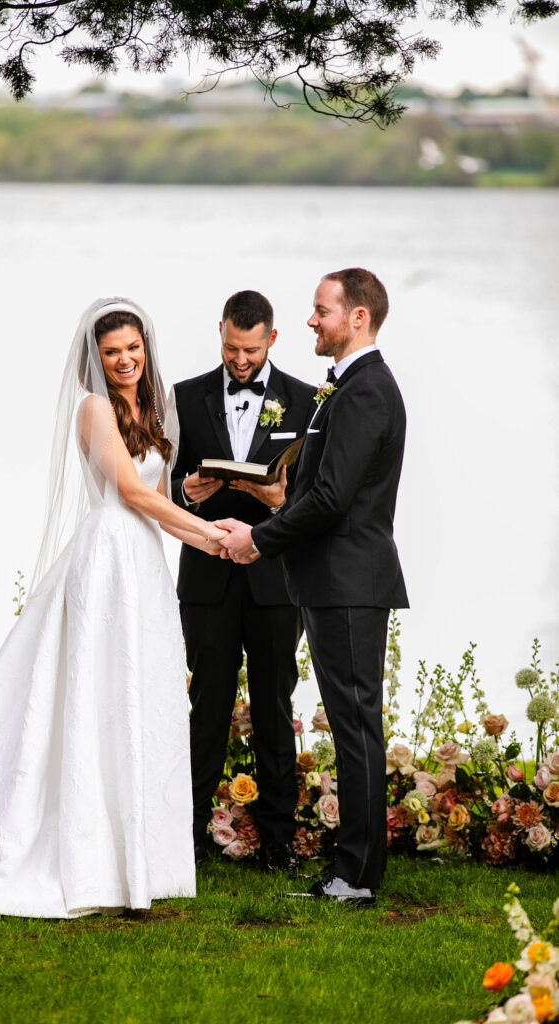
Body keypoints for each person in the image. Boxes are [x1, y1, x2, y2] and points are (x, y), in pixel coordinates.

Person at [0, 297, 228, 928]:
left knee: (139, 696)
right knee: (96, 695)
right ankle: (86, 855)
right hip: (108, 556)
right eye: (112, 352)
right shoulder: (94, 410)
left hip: (143, 559)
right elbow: (125, 492)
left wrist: (193, 495)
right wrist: (209, 537)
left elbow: (156, 491)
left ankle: (140, 857)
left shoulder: (151, 408)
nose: (123, 360)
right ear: (93, 360)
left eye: (132, 349)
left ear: (146, 349)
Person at [218, 270, 408, 906]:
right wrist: (276, 498)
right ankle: (354, 868)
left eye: (321, 311)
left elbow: (332, 500)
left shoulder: (364, 392)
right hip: (336, 580)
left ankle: (355, 877)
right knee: (354, 724)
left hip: (349, 581)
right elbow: (322, 489)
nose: (310, 321)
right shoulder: (349, 387)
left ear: (357, 317)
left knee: (355, 726)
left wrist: (260, 538)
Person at [170, 290, 316, 870]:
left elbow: (316, 496)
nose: (240, 360)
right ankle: (187, 834)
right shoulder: (184, 396)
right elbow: (165, 476)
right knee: (205, 704)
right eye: (231, 348)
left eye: (251, 350)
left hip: (277, 580)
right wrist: (188, 490)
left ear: (272, 340)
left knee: (274, 706)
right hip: (206, 575)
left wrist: (280, 498)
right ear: (221, 334)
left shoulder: (306, 400)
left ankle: (279, 840)